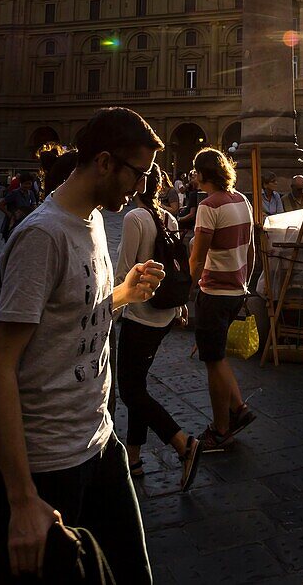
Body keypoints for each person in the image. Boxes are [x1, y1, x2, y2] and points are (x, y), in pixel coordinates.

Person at [0, 107, 165, 584]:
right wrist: (22, 502)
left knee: (133, 575)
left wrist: (125, 291)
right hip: (44, 466)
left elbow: (81, 311)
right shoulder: (42, 235)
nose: (140, 188)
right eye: (137, 173)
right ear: (104, 162)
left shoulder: (94, 219)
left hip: (99, 443)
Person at [115, 165, 202, 492]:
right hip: (164, 315)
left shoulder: (134, 218)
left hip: (140, 316)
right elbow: (172, 266)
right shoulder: (168, 218)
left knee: (130, 391)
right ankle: (134, 459)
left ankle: (183, 444)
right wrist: (179, 306)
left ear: (137, 182)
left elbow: (126, 272)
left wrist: (107, 313)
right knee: (138, 386)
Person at [189, 147, 255, 452]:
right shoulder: (243, 200)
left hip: (214, 293)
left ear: (203, 174)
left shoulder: (208, 206)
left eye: (195, 171)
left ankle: (220, 429)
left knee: (212, 361)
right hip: (237, 290)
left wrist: (191, 287)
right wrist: (245, 283)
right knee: (218, 356)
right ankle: (239, 408)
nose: (193, 176)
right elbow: (251, 249)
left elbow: (197, 258)